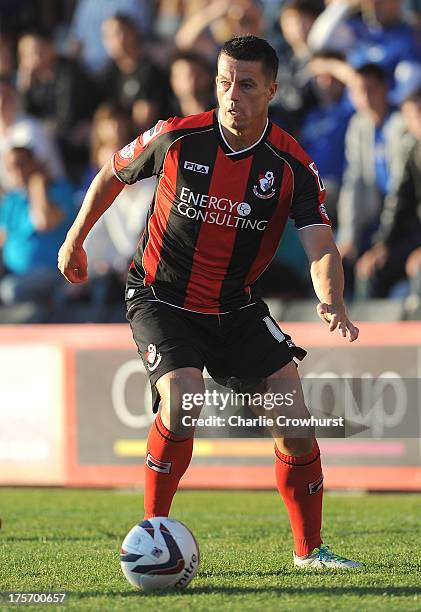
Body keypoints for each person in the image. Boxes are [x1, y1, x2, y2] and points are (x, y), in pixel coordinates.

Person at [58, 35, 362, 569]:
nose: (232, 95)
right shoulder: (179, 137)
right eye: (224, 82)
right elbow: (112, 173)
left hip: (235, 306)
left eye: (246, 85)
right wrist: (75, 239)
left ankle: (310, 552)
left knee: (294, 418)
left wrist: (331, 300)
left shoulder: (290, 165)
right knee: (183, 401)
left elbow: (321, 246)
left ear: (271, 89)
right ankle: (152, 532)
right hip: (162, 295)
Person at [0, 146, 75, 305]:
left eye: (22, 164)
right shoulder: (11, 200)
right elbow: (3, 237)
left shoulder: (60, 191)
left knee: (10, 289)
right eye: (11, 168)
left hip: (50, 272)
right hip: (13, 272)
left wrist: (37, 184)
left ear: (35, 164)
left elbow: (44, 221)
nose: (17, 171)